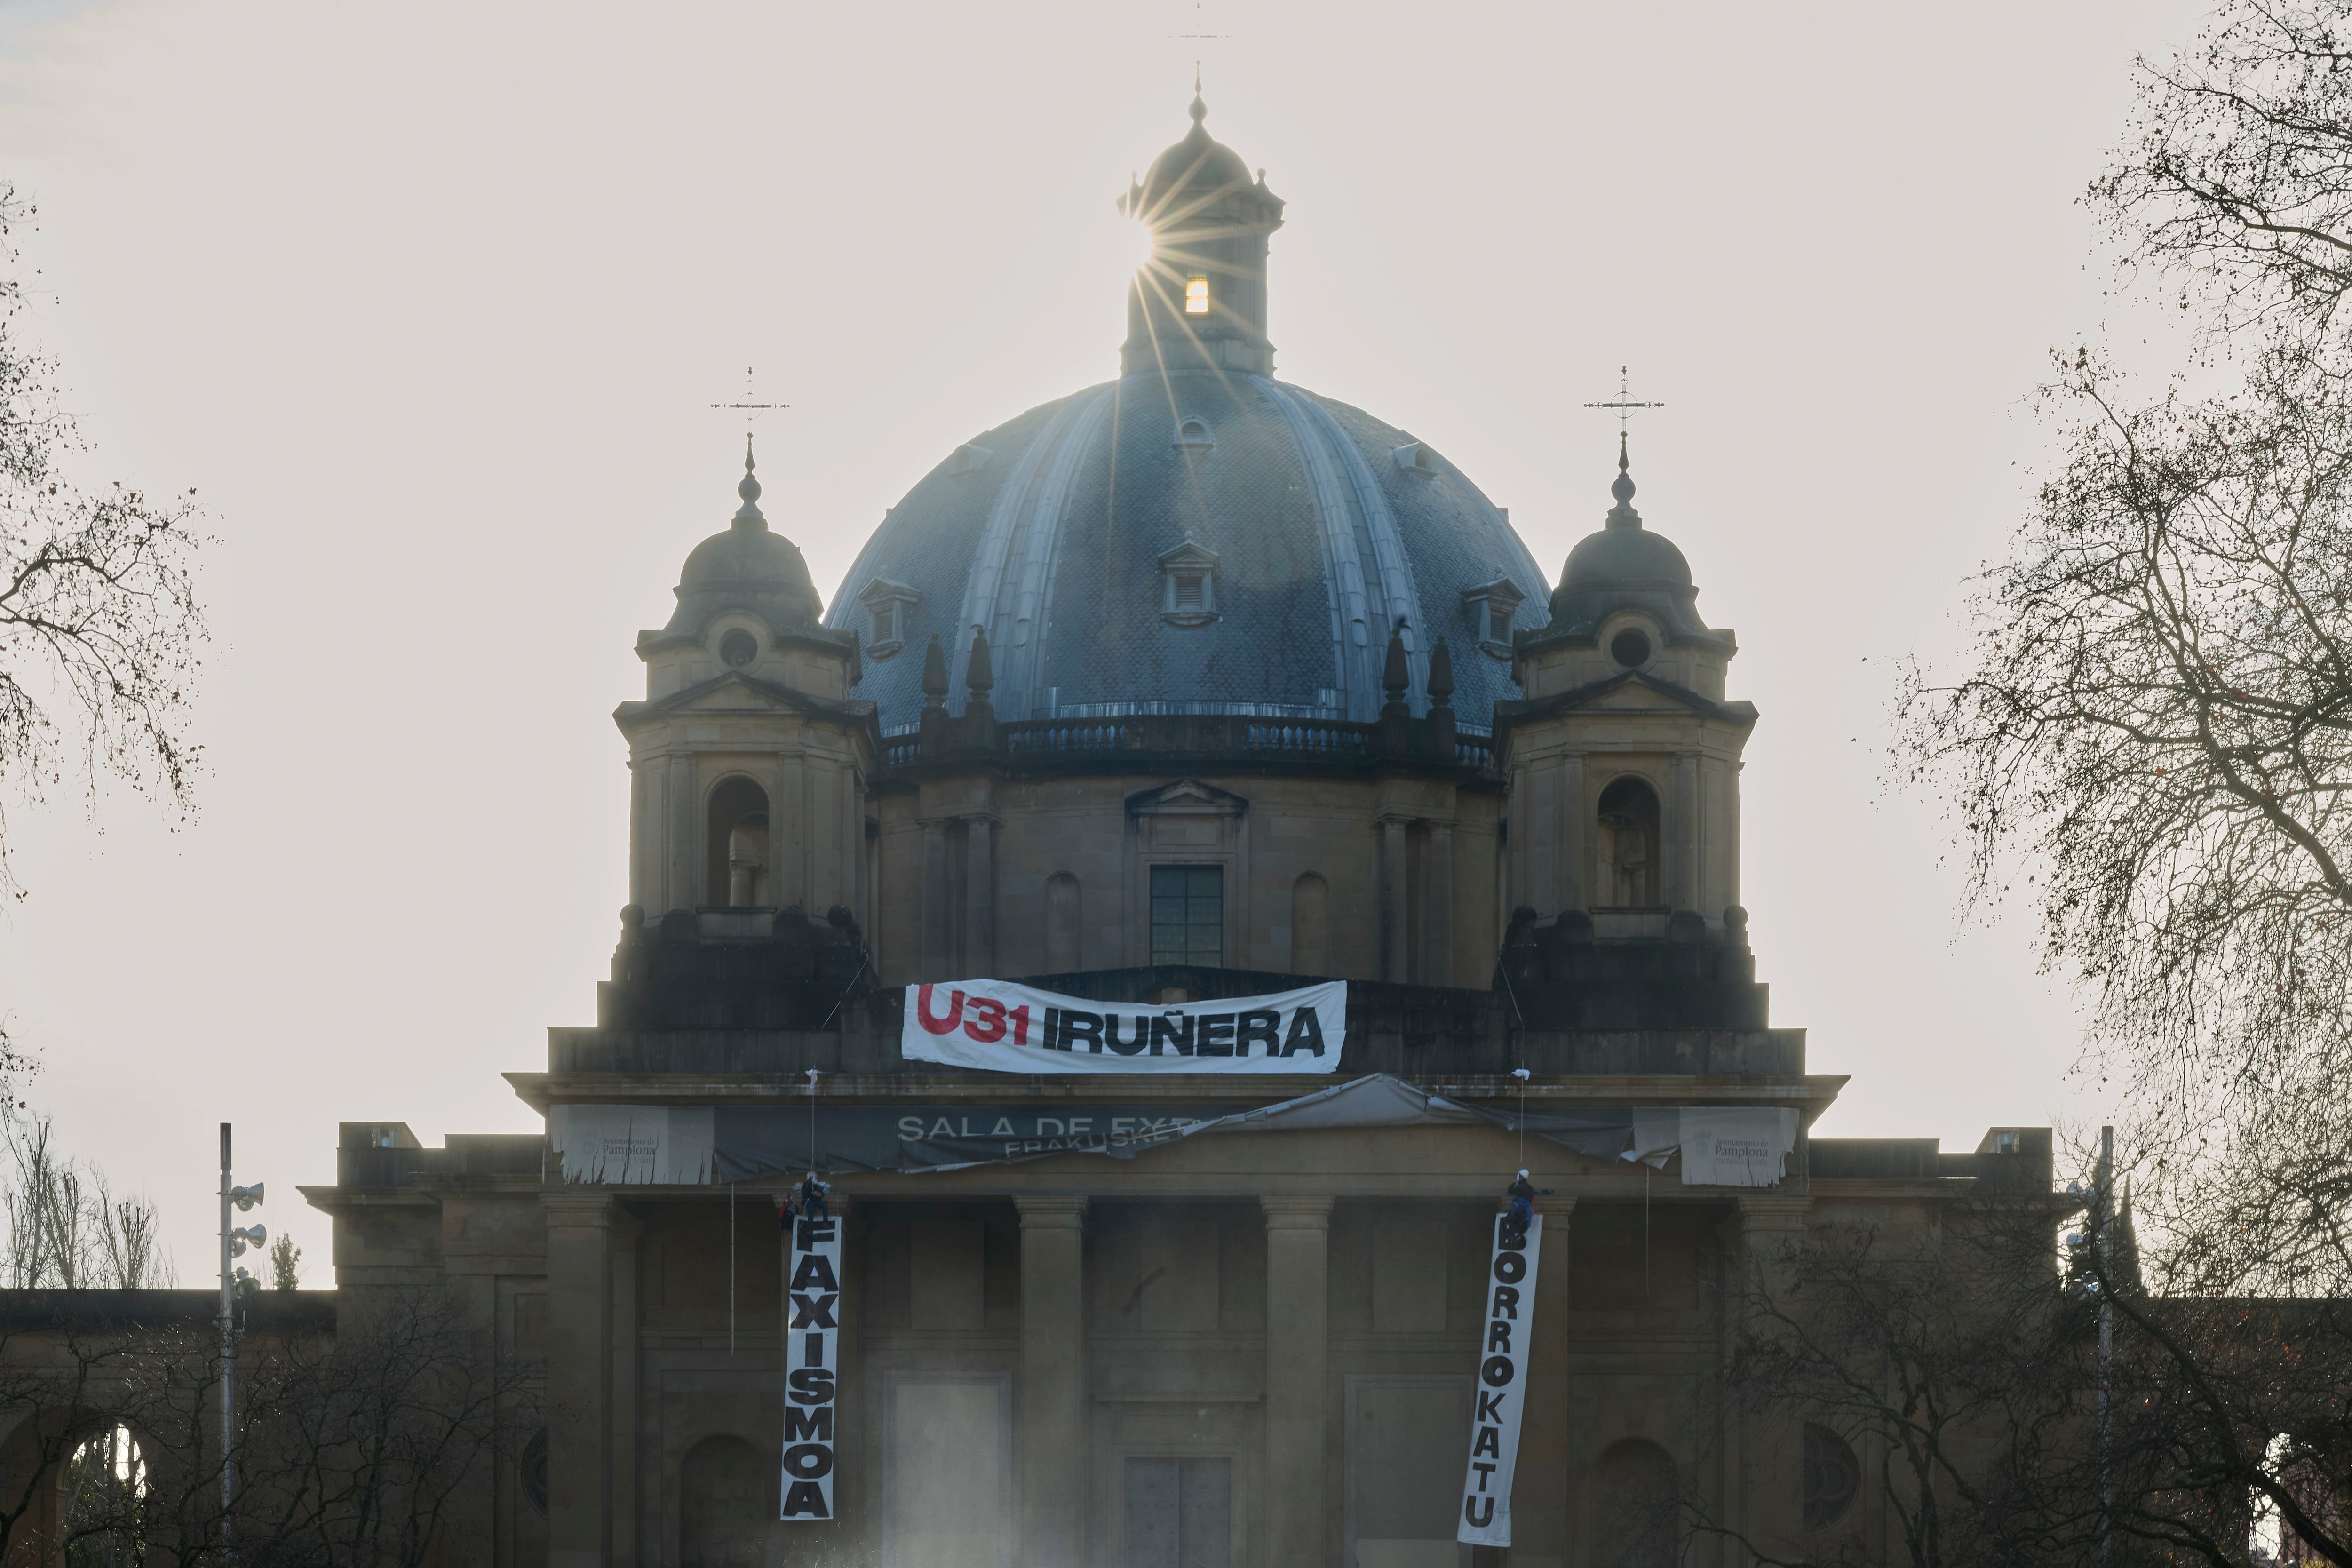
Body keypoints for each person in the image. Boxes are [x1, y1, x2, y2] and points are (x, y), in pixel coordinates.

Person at [1504, 1169, 1535, 1244]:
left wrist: (1514, 1182)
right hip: (1525, 1211)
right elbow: (1530, 1199)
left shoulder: (1519, 1187)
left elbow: (1510, 1191)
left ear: (1521, 1177)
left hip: (1518, 1210)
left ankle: (1516, 1234)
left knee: (1510, 1219)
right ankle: (1517, 1234)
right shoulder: (1531, 1188)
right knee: (1520, 1223)